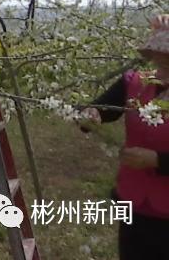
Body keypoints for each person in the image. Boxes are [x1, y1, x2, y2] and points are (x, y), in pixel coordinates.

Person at [78, 14, 169, 260]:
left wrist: (157, 160)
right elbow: (101, 108)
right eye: (159, 54)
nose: (163, 61)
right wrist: (91, 114)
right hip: (135, 206)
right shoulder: (135, 83)